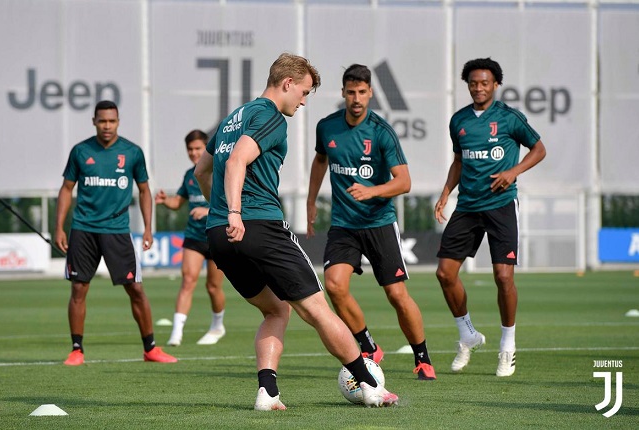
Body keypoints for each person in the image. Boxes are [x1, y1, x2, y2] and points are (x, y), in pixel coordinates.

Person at [194, 53, 398, 410]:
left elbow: (201, 171)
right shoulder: (271, 117)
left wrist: (223, 213)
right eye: (303, 92)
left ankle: (267, 393)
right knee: (318, 309)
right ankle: (370, 386)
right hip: (259, 227)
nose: (304, 101)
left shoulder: (232, 118)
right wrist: (238, 212)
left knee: (276, 311)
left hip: (219, 237)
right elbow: (239, 158)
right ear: (287, 84)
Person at [306, 64, 436, 381]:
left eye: (362, 92)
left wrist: (372, 191)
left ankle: (422, 357)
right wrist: (311, 201)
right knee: (334, 285)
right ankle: (368, 346)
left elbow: (404, 181)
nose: (356, 98)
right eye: (351, 92)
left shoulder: (381, 131)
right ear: (343, 93)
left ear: (370, 93)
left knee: (396, 295)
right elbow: (320, 159)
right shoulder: (327, 127)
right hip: (344, 224)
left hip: (379, 222)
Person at [434, 58, 547, 377]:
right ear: (467, 85)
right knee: (445, 274)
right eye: (473, 83)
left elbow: (539, 149)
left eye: (484, 83)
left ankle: (507, 346)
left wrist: (513, 172)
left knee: (504, 277)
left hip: (500, 205)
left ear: (495, 84)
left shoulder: (510, 118)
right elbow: (459, 160)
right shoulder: (459, 120)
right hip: (468, 205)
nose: (478, 88)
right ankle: (467, 334)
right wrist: (446, 192)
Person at [55, 100, 177, 366]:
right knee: (78, 288)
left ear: (118, 121)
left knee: (135, 288)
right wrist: (59, 227)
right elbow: (66, 189)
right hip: (83, 229)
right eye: (102, 121)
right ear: (94, 121)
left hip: (117, 230)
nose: (107, 126)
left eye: (111, 121)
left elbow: (144, 190)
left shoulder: (132, 152)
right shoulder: (80, 151)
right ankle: (77, 349)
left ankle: (151, 349)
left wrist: (147, 228)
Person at [155, 129, 227, 346]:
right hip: (194, 235)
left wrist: (208, 211)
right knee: (187, 280)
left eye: (198, 148)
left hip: (216, 234)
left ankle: (217, 325)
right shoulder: (190, 175)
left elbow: (231, 201)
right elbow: (179, 202)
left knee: (213, 286)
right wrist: (166, 200)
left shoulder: (221, 170)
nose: (194, 153)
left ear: (207, 148)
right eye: (190, 149)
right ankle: (176, 333)